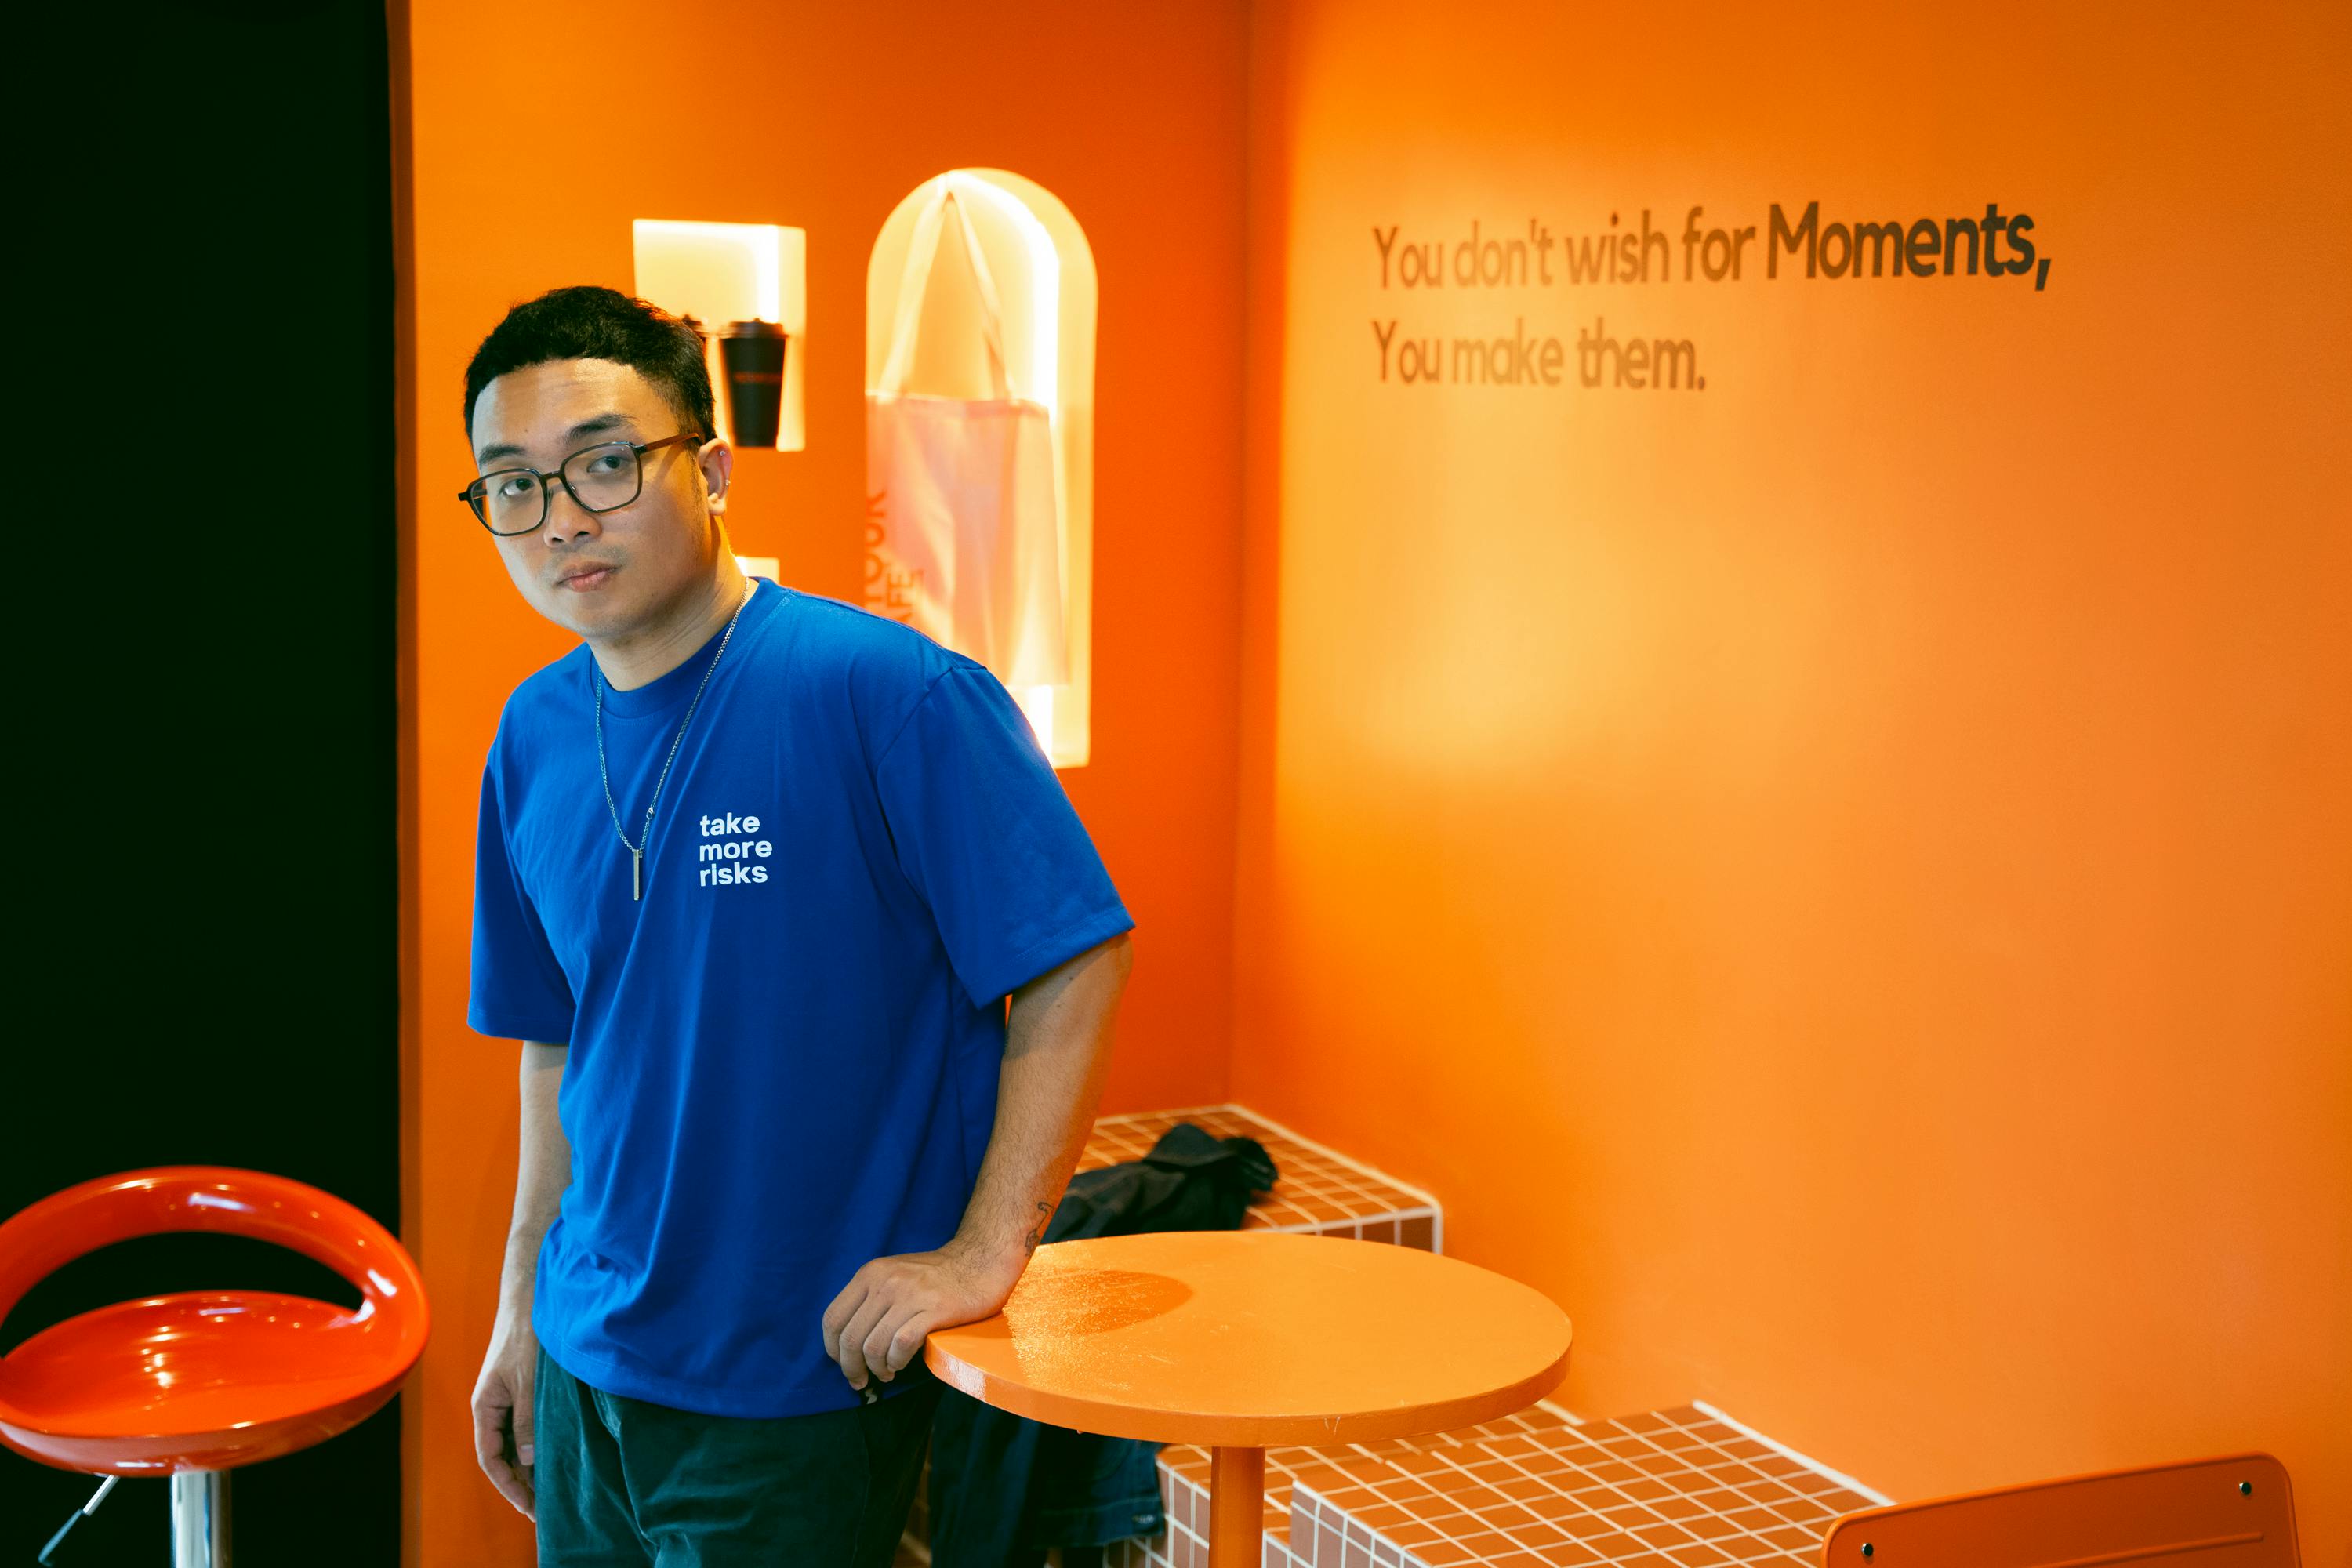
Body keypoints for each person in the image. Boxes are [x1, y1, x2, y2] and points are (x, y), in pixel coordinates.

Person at [461, 285, 1135, 1566]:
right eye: (513, 484)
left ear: (711, 469)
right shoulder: (532, 735)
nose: (561, 520)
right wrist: (517, 1310)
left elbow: (1074, 954)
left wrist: (987, 1250)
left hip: (796, 1389)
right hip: (587, 1357)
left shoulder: (888, 692)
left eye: (606, 463)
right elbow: (554, 1051)